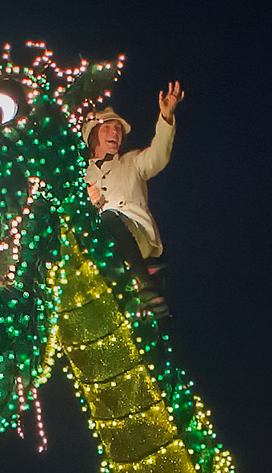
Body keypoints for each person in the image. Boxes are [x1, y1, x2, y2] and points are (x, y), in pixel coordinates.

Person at [77, 81, 185, 313]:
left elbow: (158, 154)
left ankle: (146, 284)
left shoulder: (132, 162)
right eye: (109, 127)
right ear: (93, 134)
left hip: (137, 235)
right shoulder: (81, 176)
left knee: (108, 218)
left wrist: (166, 117)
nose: (115, 132)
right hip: (100, 244)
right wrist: (86, 202)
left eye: (119, 129)